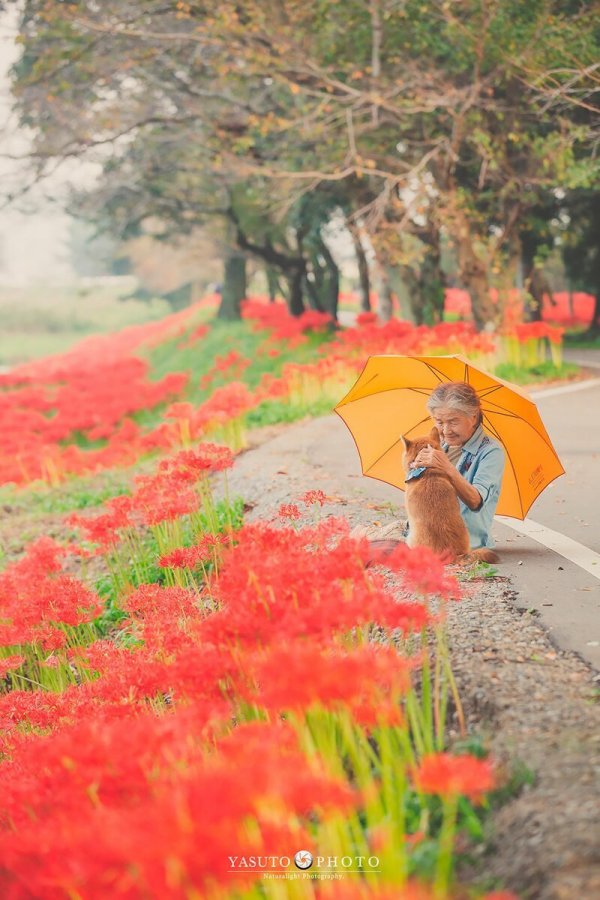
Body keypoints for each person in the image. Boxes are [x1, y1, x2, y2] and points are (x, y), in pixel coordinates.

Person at [410, 381, 505, 550]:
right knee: (363, 539)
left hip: (462, 542)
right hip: (428, 533)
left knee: (377, 549)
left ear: (473, 416)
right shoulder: (441, 445)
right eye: (439, 422)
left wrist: (447, 468)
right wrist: (416, 470)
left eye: (453, 422)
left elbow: (476, 501)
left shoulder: (491, 451)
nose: (446, 430)